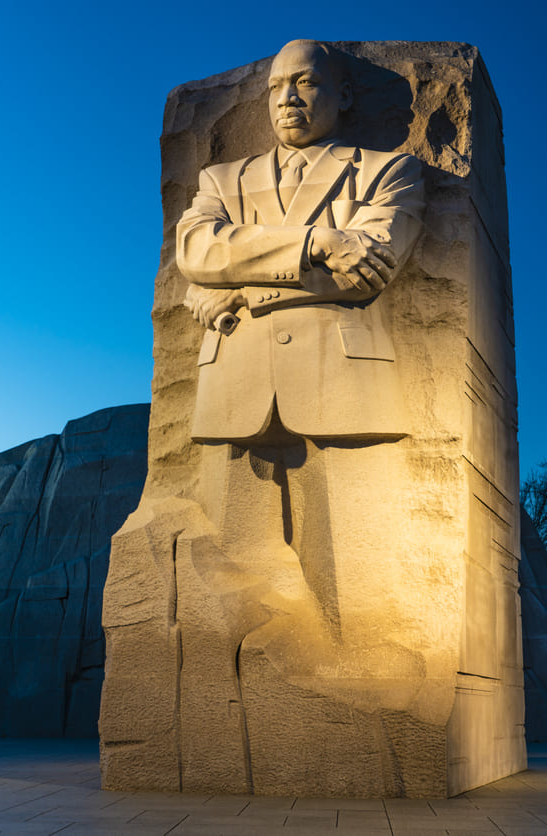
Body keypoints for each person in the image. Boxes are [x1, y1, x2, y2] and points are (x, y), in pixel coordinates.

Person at [175, 39, 426, 676]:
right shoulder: (221, 180)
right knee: (228, 568)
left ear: (343, 95)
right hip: (234, 381)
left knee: (355, 570)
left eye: (307, 83)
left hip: (342, 378)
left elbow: (368, 271)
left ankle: (362, 691)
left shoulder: (388, 171)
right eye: (277, 85)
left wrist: (233, 285)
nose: (288, 98)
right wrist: (318, 240)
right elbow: (197, 254)